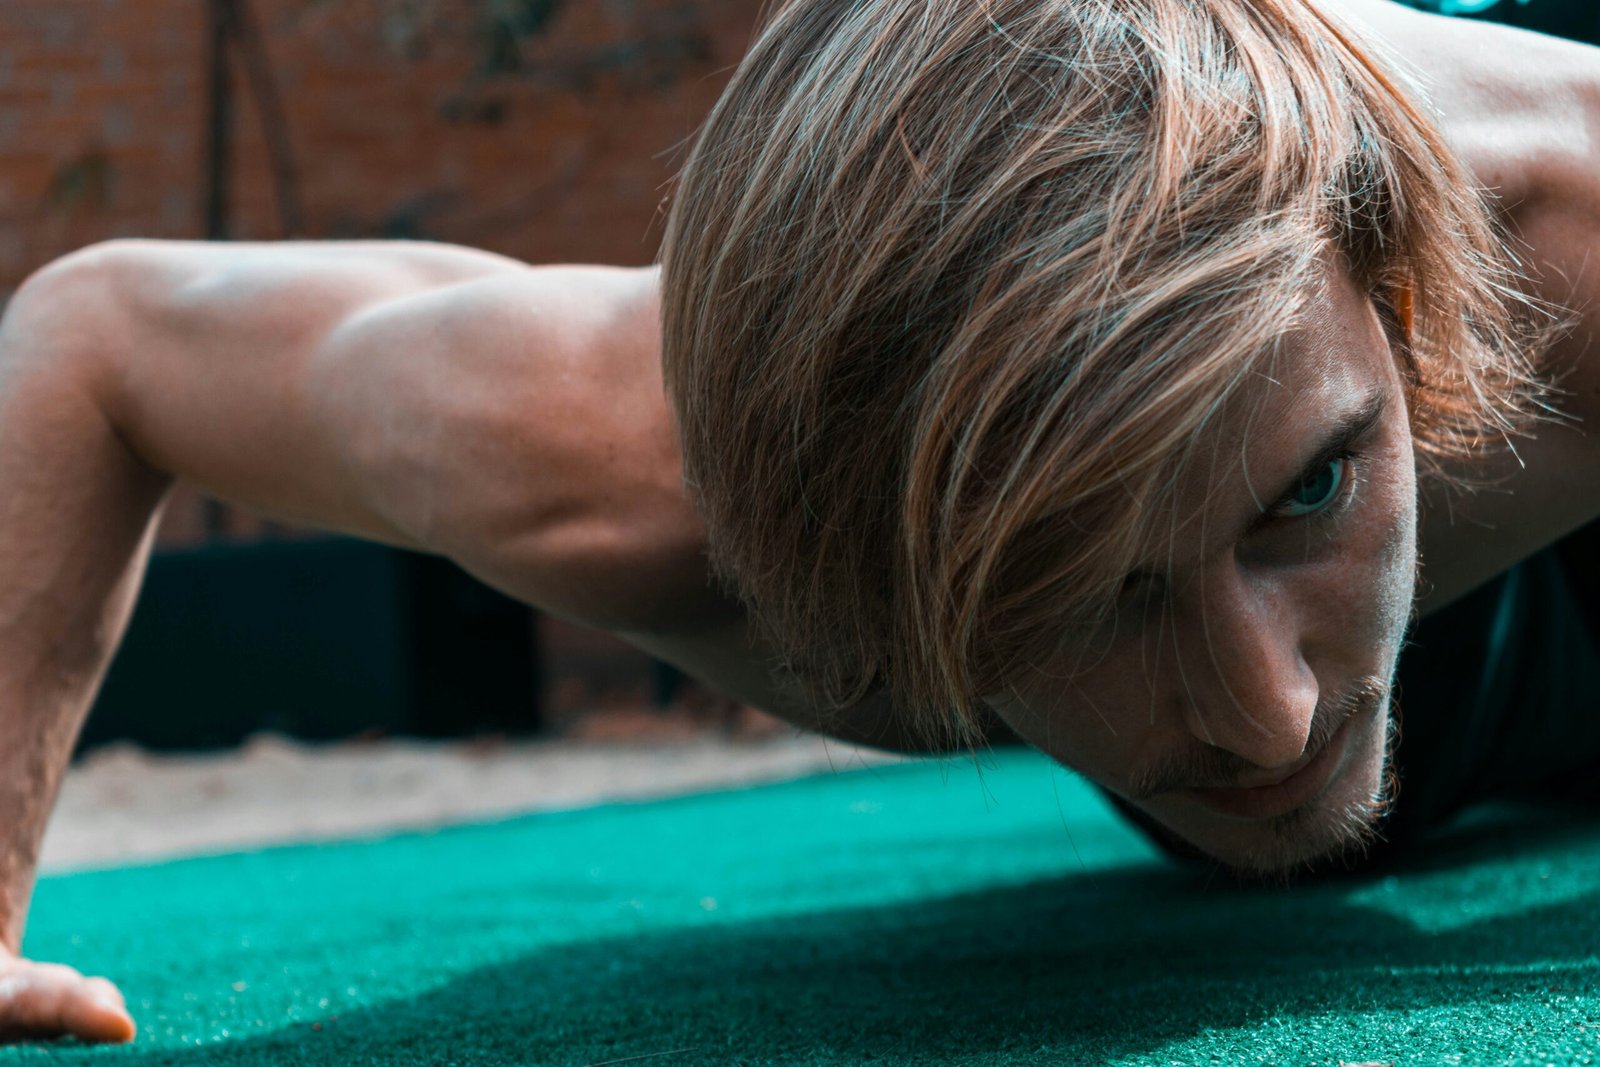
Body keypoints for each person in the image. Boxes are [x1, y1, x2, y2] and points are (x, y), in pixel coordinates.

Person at [0, 0, 1594, 1046]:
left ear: (1401, 309)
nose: (1274, 715)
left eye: (1308, 490)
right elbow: (99, 343)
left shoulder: (1562, 219)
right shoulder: (622, 465)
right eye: (1081, 593)